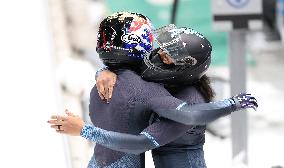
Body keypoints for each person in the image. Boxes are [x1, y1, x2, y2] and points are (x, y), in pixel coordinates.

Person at [48, 12, 258, 168]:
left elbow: (142, 143)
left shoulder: (189, 99)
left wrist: (233, 103)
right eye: (160, 50)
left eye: (167, 58)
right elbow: (124, 66)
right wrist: (104, 71)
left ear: (184, 69)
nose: (157, 57)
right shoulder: (157, 79)